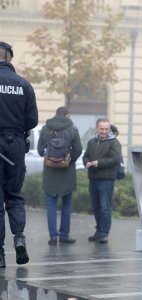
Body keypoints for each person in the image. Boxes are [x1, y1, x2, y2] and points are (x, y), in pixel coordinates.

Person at [0, 41, 38, 267]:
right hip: (14, 145)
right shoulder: (23, 85)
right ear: (10, 59)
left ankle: (0, 255)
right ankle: (19, 238)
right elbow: (32, 120)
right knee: (13, 195)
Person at [37, 106, 82, 245]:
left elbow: (39, 150)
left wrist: (50, 159)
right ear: (67, 115)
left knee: (51, 203)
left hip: (50, 170)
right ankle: (64, 235)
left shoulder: (46, 128)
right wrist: (68, 161)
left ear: (55, 114)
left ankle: (53, 236)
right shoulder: (72, 129)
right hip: (67, 171)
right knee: (67, 202)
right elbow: (79, 149)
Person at [83, 118, 122, 243]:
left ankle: (104, 233)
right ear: (97, 128)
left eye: (106, 129)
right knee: (96, 207)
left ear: (109, 129)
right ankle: (98, 231)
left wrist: (98, 163)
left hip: (106, 180)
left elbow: (115, 159)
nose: (104, 131)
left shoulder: (114, 142)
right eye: (102, 129)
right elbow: (86, 155)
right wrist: (87, 162)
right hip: (93, 178)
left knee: (105, 208)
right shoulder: (92, 142)